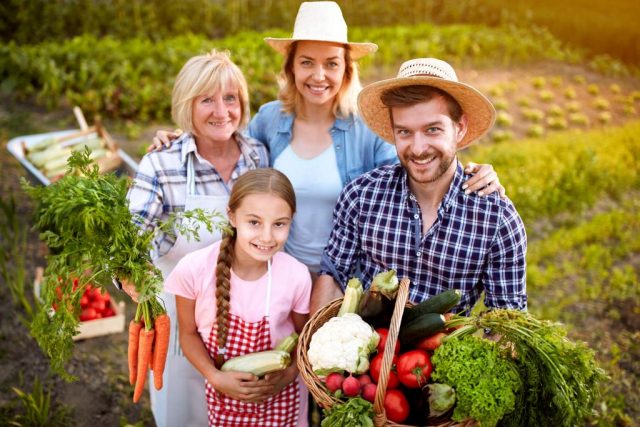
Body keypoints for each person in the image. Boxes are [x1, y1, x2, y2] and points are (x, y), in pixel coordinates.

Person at [151, 1, 505, 277]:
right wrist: (183, 136)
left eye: (332, 63)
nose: (319, 75)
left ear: (347, 69)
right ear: (291, 68)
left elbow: (419, 169)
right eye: (307, 62)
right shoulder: (271, 120)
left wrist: (473, 172)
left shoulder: (365, 129)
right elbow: (227, 146)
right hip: (276, 272)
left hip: (345, 278)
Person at [312, 58, 527, 315]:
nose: (418, 148)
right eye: (404, 132)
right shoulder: (360, 196)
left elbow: (506, 317)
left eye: (432, 129)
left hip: (444, 350)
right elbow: (334, 275)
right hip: (371, 348)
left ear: (460, 128)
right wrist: (321, 343)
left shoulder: (497, 219)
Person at [124, 50, 268, 427]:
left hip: (244, 317)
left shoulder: (257, 156)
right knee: (184, 414)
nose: (222, 111)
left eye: (230, 98)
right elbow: (132, 240)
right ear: (187, 106)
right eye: (207, 99)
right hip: (178, 323)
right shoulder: (163, 163)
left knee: (243, 411)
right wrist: (130, 273)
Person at [165, 168, 312, 426]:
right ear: (232, 216)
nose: (267, 236)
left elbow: (305, 338)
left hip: (283, 400)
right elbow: (187, 334)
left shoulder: (296, 275)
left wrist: (289, 374)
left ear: (291, 220)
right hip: (225, 396)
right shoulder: (194, 269)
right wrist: (214, 376)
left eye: (279, 224)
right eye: (254, 222)